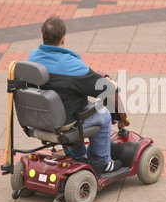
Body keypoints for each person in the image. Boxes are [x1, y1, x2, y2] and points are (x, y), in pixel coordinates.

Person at [28, 16, 121, 173]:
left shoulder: (32, 59)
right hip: (63, 123)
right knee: (103, 114)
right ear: (64, 39)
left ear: (42, 37)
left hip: (38, 120)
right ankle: (101, 162)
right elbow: (100, 87)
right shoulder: (71, 66)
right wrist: (112, 85)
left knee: (70, 104)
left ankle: (78, 155)